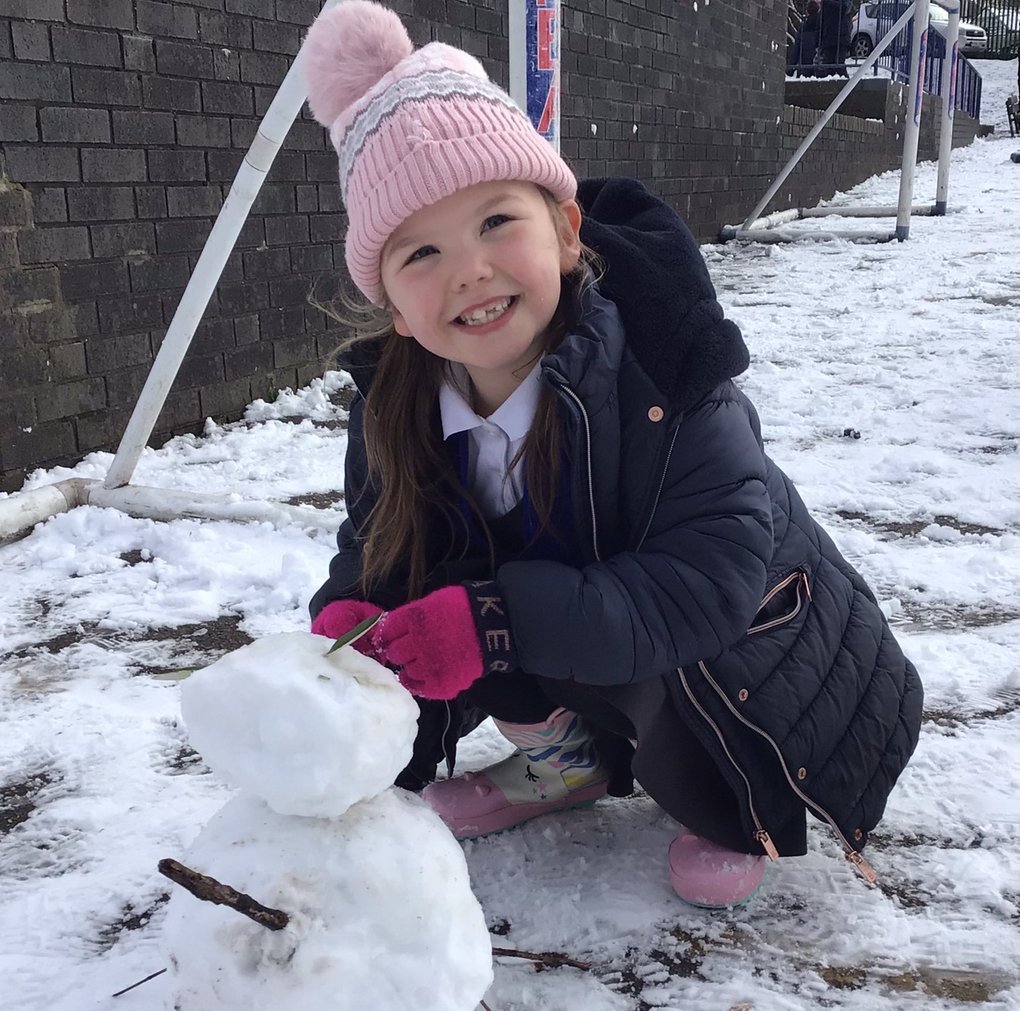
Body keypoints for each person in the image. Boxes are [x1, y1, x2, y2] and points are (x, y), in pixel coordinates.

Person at [301, 0, 923, 909]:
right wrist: (354, 613)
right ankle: (566, 763)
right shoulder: (398, 409)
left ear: (565, 228)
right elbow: (379, 541)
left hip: (743, 655)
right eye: (421, 252)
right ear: (395, 304)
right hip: (581, 616)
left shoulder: (669, 367)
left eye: (494, 221)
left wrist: (493, 622)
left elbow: (706, 586)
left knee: (583, 633)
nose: (468, 270)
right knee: (467, 599)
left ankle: (732, 804)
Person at [817, 0, 853, 74]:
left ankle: (847, 84)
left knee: (838, 64)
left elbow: (844, 8)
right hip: (831, 36)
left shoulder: (828, 3)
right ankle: (840, 83)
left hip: (840, 35)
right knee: (829, 66)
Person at [787, 0, 821, 76]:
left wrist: (790, 69)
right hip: (818, 67)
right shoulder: (822, 26)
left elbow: (796, 50)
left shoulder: (803, 27)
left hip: (804, 67)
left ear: (807, 12)